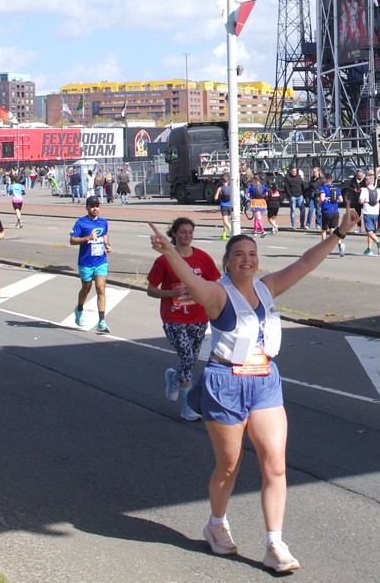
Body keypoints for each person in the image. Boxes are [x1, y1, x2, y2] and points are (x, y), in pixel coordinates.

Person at [146, 207, 362, 574]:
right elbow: (193, 284)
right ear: (227, 263)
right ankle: (216, 524)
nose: (247, 260)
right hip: (226, 383)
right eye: (238, 255)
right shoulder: (217, 294)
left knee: (275, 463)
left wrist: (340, 233)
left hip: (264, 381)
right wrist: (169, 251)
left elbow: (306, 262)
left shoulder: (267, 287)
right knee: (229, 466)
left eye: (252, 254)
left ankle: (275, 544)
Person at [147, 217, 221, 419]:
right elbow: (151, 290)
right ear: (174, 234)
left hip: (198, 317)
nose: (187, 236)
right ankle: (188, 407)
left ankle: (174, 377)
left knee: (190, 360)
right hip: (173, 317)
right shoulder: (164, 260)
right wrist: (171, 293)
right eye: (183, 232)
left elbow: (215, 284)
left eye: (190, 232)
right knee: (187, 357)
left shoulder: (203, 258)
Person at [70, 196, 112, 333]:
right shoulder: (81, 223)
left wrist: (107, 245)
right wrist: (88, 238)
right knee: (86, 288)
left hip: (101, 261)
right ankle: (79, 308)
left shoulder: (103, 222)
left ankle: (101, 322)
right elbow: (72, 240)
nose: (95, 209)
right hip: (86, 262)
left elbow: (105, 234)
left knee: (100, 288)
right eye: (92, 206)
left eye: (97, 206)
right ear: (87, 207)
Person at [318, 175, 345, 257]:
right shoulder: (336, 188)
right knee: (333, 230)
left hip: (326, 211)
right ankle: (340, 245)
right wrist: (334, 200)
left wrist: (319, 201)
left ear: (325, 179)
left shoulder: (323, 188)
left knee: (324, 230)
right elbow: (341, 200)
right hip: (335, 211)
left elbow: (322, 199)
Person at [358, 180, 380, 255]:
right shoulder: (378, 190)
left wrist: (361, 201)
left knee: (369, 231)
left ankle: (379, 243)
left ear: (367, 182)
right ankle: (369, 249)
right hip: (376, 213)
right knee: (371, 231)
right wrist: (377, 206)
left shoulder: (364, 190)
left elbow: (361, 201)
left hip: (367, 212)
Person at [302, 167, 322, 231]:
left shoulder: (321, 180)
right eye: (313, 172)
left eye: (315, 172)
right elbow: (309, 188)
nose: (314, 173)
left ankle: (318, 224)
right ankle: (308, 225)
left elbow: (322, 189)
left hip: (318, 196)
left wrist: (320, 196)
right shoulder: (312, 179)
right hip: (311, 197)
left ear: (318, 172)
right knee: (310, 210)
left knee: (318, 211)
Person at [214, 174, 233, 240]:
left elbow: (216, 198)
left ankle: (232, 231)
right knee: (225, 221)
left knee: (225, 221)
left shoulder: (220, 188)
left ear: (222, 181)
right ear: (228, 181)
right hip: (230, 206)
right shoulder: (231, 187)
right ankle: (224, 234)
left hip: (224, 206)